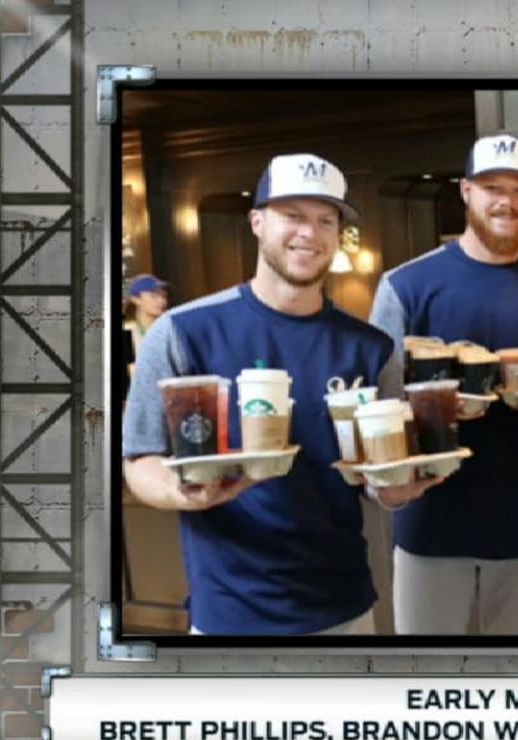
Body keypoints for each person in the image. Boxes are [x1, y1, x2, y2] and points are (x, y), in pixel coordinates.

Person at [122, 153, 436, 635]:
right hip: (229, 613)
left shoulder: (372, 346)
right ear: (257, 222)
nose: (309, 233)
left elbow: (379, 476)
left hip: (345, 607)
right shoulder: (183, 331)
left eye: (324, 220)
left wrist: (397, 491)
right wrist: (184, 493)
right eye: (292, 216)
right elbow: (139, 457)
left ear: (338, 234)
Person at [368, 135, 518, 634]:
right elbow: (379, 405)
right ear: (466, 191)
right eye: (491, 187)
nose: (505, 201)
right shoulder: (405, 286)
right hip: (432, 525)